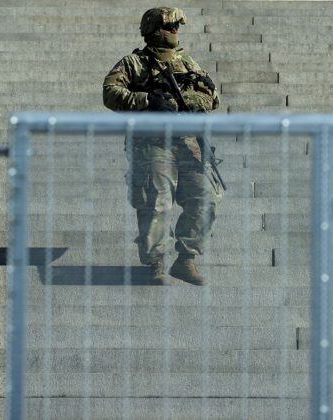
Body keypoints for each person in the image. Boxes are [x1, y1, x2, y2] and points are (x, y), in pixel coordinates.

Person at [102, 7, 223, 285]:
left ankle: (186, 259)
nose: (175, 32)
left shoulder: (189, 62)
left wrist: (199, 100)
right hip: (153, 143)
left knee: (207, 196)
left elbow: (213, 98)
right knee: (155, 201)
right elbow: (110, 92)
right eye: (170, 27)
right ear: (154, 29)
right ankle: (155, 262)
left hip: (190, 143)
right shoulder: (135, 62)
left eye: (177, 27)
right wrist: (149, 101)